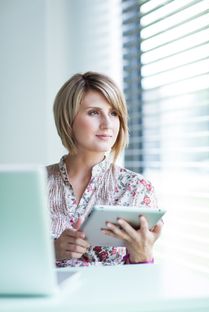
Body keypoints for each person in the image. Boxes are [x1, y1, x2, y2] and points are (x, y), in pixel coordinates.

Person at [47, 71, 163, 267]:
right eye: (94, 112)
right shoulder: (33, 186)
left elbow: (142, 285)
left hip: (112, 297)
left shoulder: (136, 188)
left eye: (114, 113)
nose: (108, 124)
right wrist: (51, 250)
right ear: (68, 119)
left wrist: (143, 255)